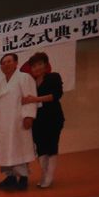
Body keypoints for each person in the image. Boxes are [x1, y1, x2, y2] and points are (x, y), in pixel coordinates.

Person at [0, 51, 36, 190]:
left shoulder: (24, 78)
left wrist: (29, 116)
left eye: (9, 61)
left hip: (18, 122)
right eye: (3, 63)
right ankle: (10, 178)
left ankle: (23, 179)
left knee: (19, 150)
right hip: (2, 124)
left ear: (16, 63)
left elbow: (30, 98)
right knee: (5, 151)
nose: (6, 65)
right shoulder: (0, 84)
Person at [22, 52, 66, 189]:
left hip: (53, 117)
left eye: (40, 64)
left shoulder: (53, 77)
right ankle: (44, 174)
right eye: (34, 66)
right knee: (41, 148)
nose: (37, 68)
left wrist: (35, 99)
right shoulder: (31, 82)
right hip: (37, 119)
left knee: (52, 146)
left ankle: (49, 176)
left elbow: (56, 95)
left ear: (45, 65)